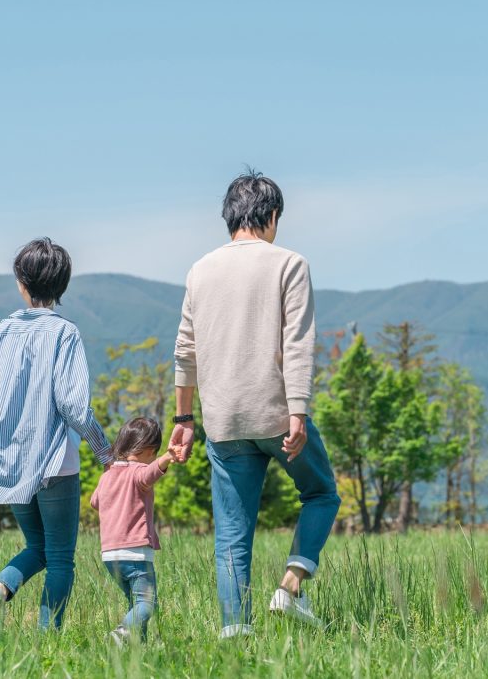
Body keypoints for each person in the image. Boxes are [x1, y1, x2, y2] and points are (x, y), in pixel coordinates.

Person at [170, 170, 342, 638]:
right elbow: (299, 343)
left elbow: (185, 351)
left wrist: (184, 418)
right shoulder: (290, 263)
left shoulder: (199, 270)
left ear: (230, 217)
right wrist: (298, 409)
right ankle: (289, 588)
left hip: (222, 421)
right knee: (322, 493)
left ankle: (235, 634)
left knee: (231, 534)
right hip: (276, 413)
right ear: (272, 216)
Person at [0, 237, 112, 635]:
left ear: (21, 282)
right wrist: (104, 451)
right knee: (59, 558)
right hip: (56, 463)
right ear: (63, 285)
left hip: (10, 463)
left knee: (36, 546)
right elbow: (73, 406)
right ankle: (46, 638)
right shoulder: (65, 334)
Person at [91, 418, 176, 645]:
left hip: (110, 555)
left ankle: (139, 647)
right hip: (136, 553)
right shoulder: (139, 471)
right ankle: (121, 633)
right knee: (147, 604)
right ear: (149, 450)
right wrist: (166, 458)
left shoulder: (107, 475)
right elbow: (148, 475)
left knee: (135, 603)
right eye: (154, 453)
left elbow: (95, 501)